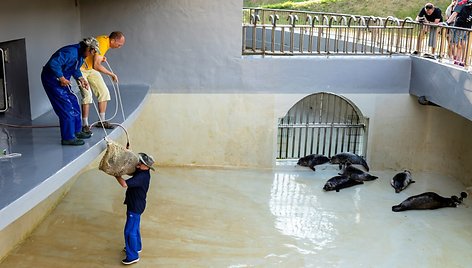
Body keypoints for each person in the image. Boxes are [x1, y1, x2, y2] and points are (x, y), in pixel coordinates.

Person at [41, 38, 99, 145]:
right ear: (87, 48)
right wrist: (61, 77)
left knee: (74, 103)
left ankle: (77, 131)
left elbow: (74, 68)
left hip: (63, 79)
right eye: (92, 51)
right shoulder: (70, 52)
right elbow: (53, 63)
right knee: (66, 107)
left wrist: (81, 79)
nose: (92, 54)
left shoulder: (81, 55)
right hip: (53, 79)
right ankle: (68, 138)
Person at [80, 31, 126, 134]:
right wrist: (112, 74)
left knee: (104, 92)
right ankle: (85, 124)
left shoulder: (105, 40)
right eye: (119, 45)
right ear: (113, 40)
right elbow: (96, 65)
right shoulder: (102, 43)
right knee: (87, 95)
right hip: (81, 69)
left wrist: (100, 58)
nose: (119, 47)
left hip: (90, 68)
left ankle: (101, 121)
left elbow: (96, 57)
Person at [115, 152, 155, 265]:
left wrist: (116, 175)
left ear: (146, 166)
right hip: (137, 204)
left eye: (141, 162)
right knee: (135, 227)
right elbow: (132, 169)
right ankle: (137, 247)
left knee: (129, 231)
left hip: (135, 206)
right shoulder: (142, 171)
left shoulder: (142, 177)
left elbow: (124, 184)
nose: (139, 163)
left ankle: (132, 256)